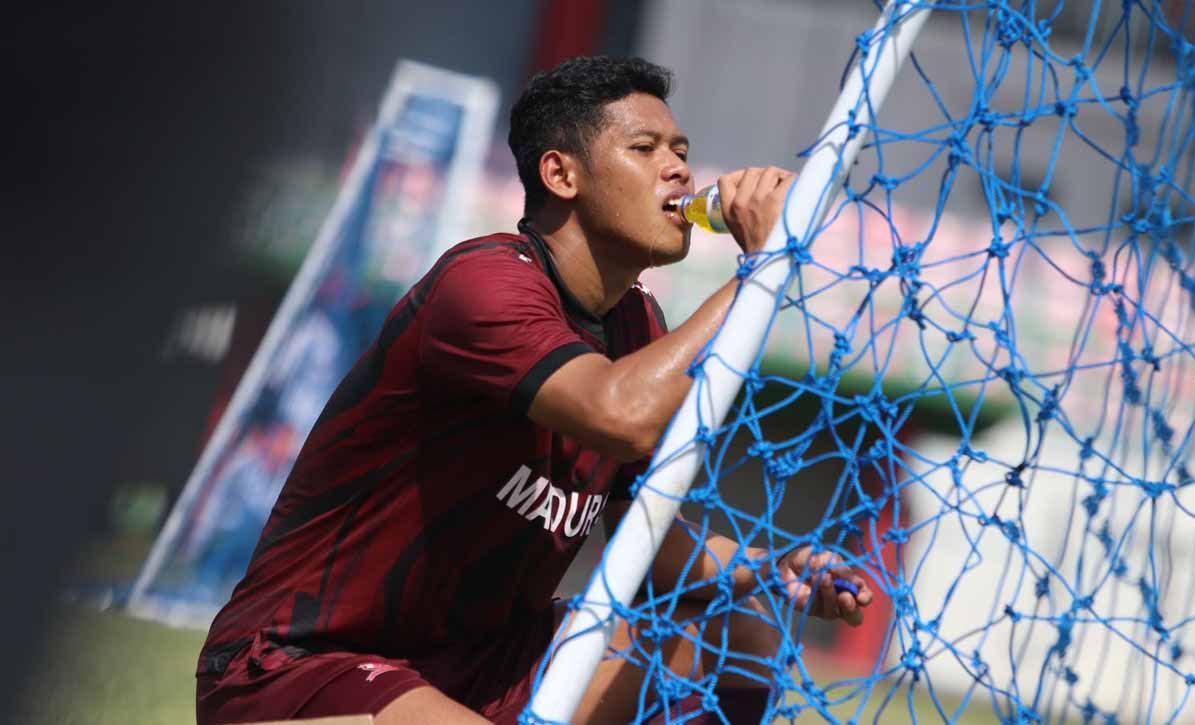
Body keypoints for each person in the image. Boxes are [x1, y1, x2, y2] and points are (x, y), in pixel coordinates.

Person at [194, 55, 873, 725]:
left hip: (484, 664)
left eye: (682, 151)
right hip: (307, 662)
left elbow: (654, 549)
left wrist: (776, 565)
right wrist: (766, 267)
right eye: (645, 148)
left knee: (736, 635)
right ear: (561, 173)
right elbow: (620, 414)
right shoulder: (484, 284)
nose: (679, 169)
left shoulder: (639, 326)